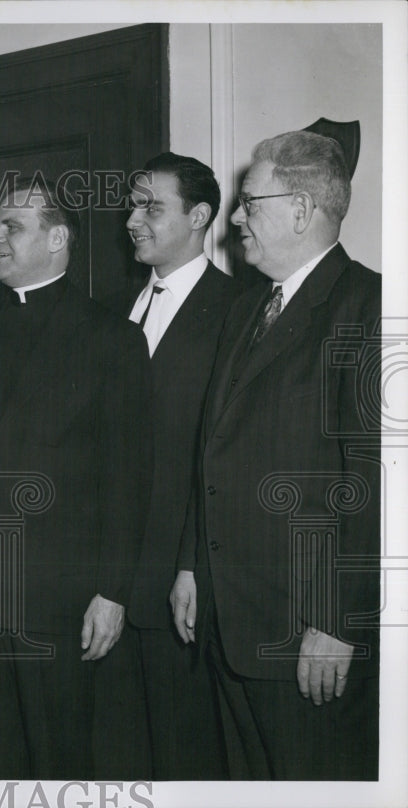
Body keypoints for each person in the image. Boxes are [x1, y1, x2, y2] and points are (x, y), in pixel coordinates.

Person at [171, 131, 381, 780]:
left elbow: (375, 481)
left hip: (306, 636)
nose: (234, 219)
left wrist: (340, 621)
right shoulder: (247, 309)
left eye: (248, 203)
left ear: (299, 210)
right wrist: (189, 566)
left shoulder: (370, 308)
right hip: (231, 621)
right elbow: (213, 446)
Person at [0, 176, 152, 779]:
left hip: (56, 603)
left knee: (60, 767)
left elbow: (129, 478)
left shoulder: (111, 338)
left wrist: (113, 592)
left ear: (58, 238)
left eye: (12, 226)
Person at [121, 153, 240, 779]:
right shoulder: (122, 307)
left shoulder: (236, 309)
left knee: (183, 752)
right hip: (117, 573)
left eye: (152, 207)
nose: (134, 220)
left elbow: (220, 456)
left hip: (183, 578)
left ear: (198, 216)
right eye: (133, 205)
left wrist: (191, 561)